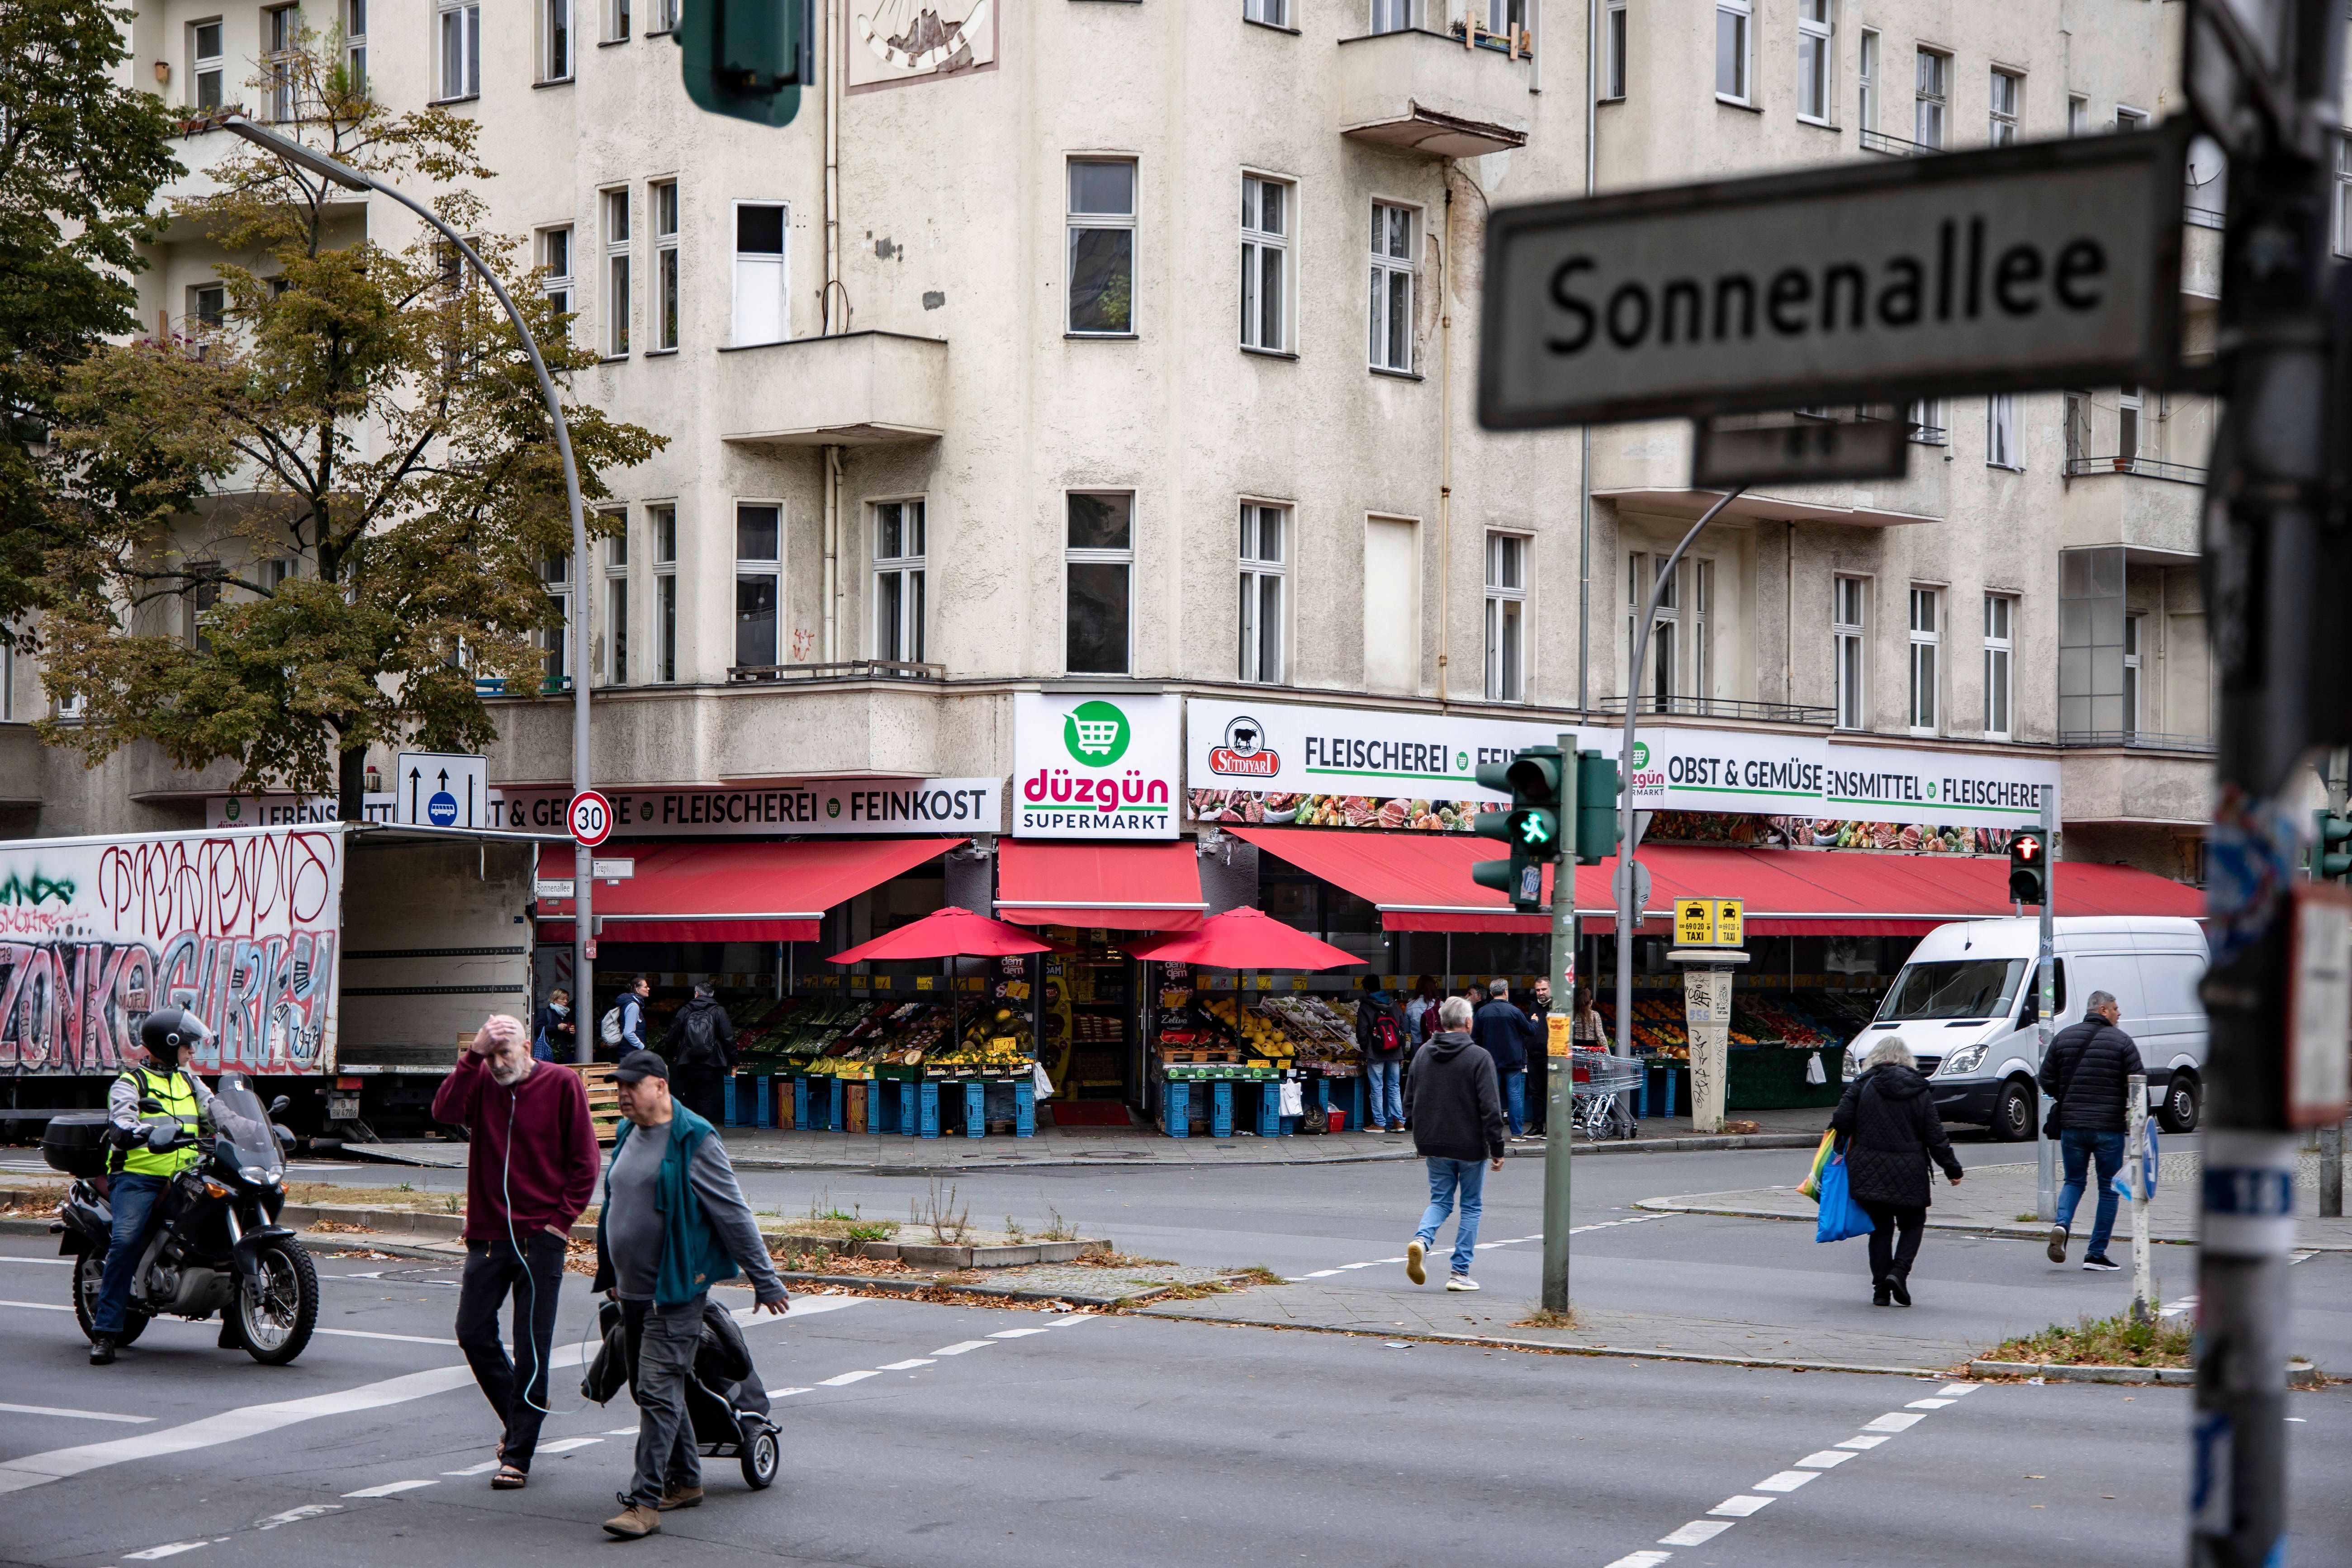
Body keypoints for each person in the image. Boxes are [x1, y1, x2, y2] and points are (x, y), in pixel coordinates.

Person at [595, 1049, 789, 1540]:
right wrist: (612, 1270)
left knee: (657, 1391)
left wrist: (764, 1279)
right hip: (633, 1292)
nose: (622, 1094)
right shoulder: (627, 1132)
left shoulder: (695, 1138)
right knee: (653, 1390)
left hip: (676, 1292)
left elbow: (733, 1212)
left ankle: (644, 1503)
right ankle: (685, 1480)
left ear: (660, 1085)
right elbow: (618, 1204)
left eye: (631, 1086)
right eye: (618, 1086)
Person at [432, 1014, 602, 1489]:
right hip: (488, 1237)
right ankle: (521, 1415)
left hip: (540, 1240)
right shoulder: (481, 1081)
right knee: (472, 1332)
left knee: (532, 1347)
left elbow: (586, 1161)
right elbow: (444, 1111)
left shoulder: (562, 1083)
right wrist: (472, 1056)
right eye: (491, 1055)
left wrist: (559, 1223)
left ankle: (519, 1455)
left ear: (528, 1048)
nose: (499, 1063)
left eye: (505, 1053)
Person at [90, 1007, 222, 1364]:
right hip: (139, 1177)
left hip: (188, 1174)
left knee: (227, 1216)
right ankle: (105, 1332)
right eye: (187, 1045)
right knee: (125, 1240)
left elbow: (216, 1111)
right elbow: (121, 1122)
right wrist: (143, 1131)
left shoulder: (189, 1080)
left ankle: (238, 1324)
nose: (192, 1050)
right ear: (168, 1045)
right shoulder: (131, 1082)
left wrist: (253, 1126)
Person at [1830, 1037, 1963, 1307]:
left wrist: (1842, 1146)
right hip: (1910, 1168)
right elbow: (1935, 1135)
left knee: (1880, 1229)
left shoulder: (1863, 1085)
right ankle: (1899, 1273)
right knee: (1913, 1224)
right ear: (1907, 1059)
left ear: (1875, 1058)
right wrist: (1952, 1168)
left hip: (1868, 1167)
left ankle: (1881, 1290)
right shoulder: (1919, 1089)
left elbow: (1840, 1121)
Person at [1402, 997, 1507, 1292]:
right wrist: (1497, 1149)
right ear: (1469, 1022)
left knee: (1440, 1201)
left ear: (1441, 1021)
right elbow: (1490, 1108)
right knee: (1471, 1206)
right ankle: (1459, 1273)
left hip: (1433, 1141)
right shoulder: (1479, 1057)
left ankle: (1422, 1240)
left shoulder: (1423, 1053)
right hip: (1470, 1144)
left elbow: (1409, 1100)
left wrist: (1422, 1132)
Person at [2039, 990, 2144, 1272]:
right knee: (2109, 1189)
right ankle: (2096, 1254)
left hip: (2073, 1126)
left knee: (2074, 1181)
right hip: (2108, 1127)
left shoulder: (2064, 1037)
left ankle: (2062, 1224)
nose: (2119, 1013)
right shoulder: (2122, 1041)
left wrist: (2067, 1098)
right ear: (2103, 1010)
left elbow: (2045, 1078)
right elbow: (2138, 1084)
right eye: (2116, 1008)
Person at [663, 982, 739, 1126]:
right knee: (707, 1098)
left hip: (687, 1062)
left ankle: (689, 1129)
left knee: (689, 1096)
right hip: (711, 1063)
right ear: (712, 994)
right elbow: (728, 1038)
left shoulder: (685, 1010)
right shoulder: (719, 1011)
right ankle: (704, 1131)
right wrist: (734, 1060)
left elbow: (672, 1035)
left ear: (696, 994)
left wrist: (671, 1054)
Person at [1471, 980, 1536, 1138]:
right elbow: (1530, 1031)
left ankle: (1491, 1133)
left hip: (1491, 1060)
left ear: (1491, 993)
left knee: (1491, 1096)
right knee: (1515, 1095)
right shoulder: (1515, 1011)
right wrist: (1535, 1021)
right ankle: (1516, 1133)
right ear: (1506, 991)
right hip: (1513, 1060)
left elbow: (1475, 1038)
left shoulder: (1482, 1012)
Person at [1355, 986, 1410, 1133]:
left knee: (1377, 1088)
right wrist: (1401, 1051)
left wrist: (1366, 1047)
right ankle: (1399, 1122)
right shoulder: (1395, 1005)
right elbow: (1403, 1029)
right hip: (1395, 1051)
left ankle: (1379, 1123)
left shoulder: (1366, 1006)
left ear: (1367, 990)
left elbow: (1361, 1031)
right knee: (1394, 1086)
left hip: (1376, 1052)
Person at [1523, 979, 1555, 1137]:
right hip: (1534, 1057)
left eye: (1544, 989)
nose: (1541, 993)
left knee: (1552, 1093)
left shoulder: (1557, 1007)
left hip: (1551, 1057)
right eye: (1538, 990)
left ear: (1551, 989)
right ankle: (1537, 1127)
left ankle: (1552, 1128)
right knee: (1536, 1093)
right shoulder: (1534, 1007)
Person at [533, 987, 575, 1063]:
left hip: (563, 1055)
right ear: (555, 999)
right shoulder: (546, 1013)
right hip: (548, 1053)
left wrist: (571, 1033)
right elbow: (538, 1029)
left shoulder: (566, 1015)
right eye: (563, 999)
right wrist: (556, 1027)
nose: (566, 1001)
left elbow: (569, 1040)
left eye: (567, 999)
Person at [615, 976, 650, 1056]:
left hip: (630, 1052)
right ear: (637, 990)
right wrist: (642, 1047)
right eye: (646, 987)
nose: (648, 989)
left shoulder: (633, 1003)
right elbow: (628, 1033)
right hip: (632, 1054)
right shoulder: (633, 1006)